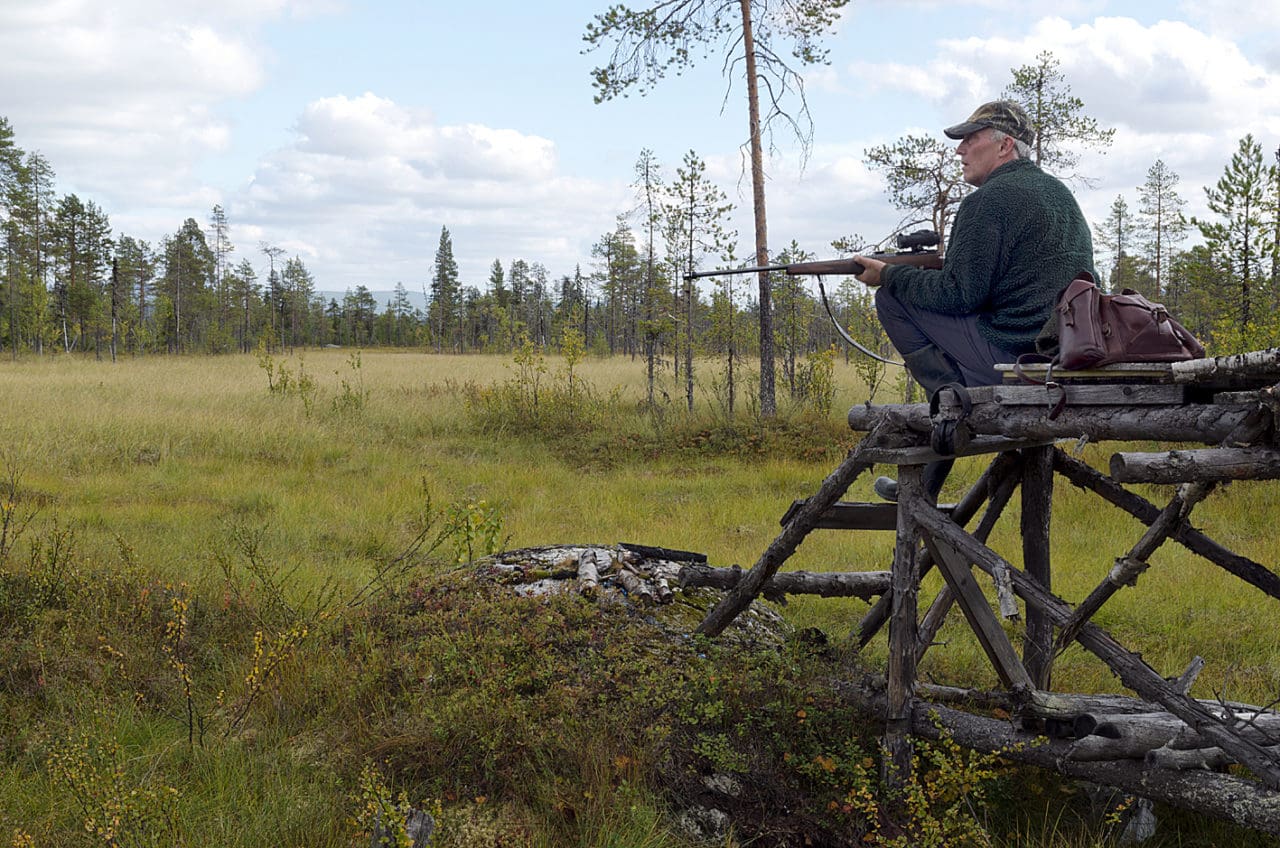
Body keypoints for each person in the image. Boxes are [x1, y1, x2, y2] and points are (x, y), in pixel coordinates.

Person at [853, 100, 1096, 502]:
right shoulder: (1058, 194)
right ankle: (936, 455)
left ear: (1005, 146)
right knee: (908, 295)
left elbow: (959, 295)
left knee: (891, 298)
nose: (959, 149)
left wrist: (890, 274)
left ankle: (950, 410)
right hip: (1057, 355)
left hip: (1010, 357)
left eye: (970, 138)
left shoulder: (988, 201)